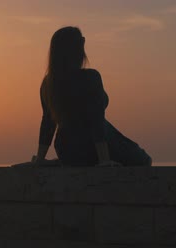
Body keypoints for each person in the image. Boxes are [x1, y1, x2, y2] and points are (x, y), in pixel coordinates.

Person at [32, 26, 151, 167]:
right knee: (144, 159)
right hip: (90, 144)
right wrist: (104, 160)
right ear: (78, 48)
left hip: (66, 149)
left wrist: (40, 159)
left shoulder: (48, 83)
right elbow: (96, 120)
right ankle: (96, 158)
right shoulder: (91, 78)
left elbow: (48, 123)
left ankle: (67, 162)